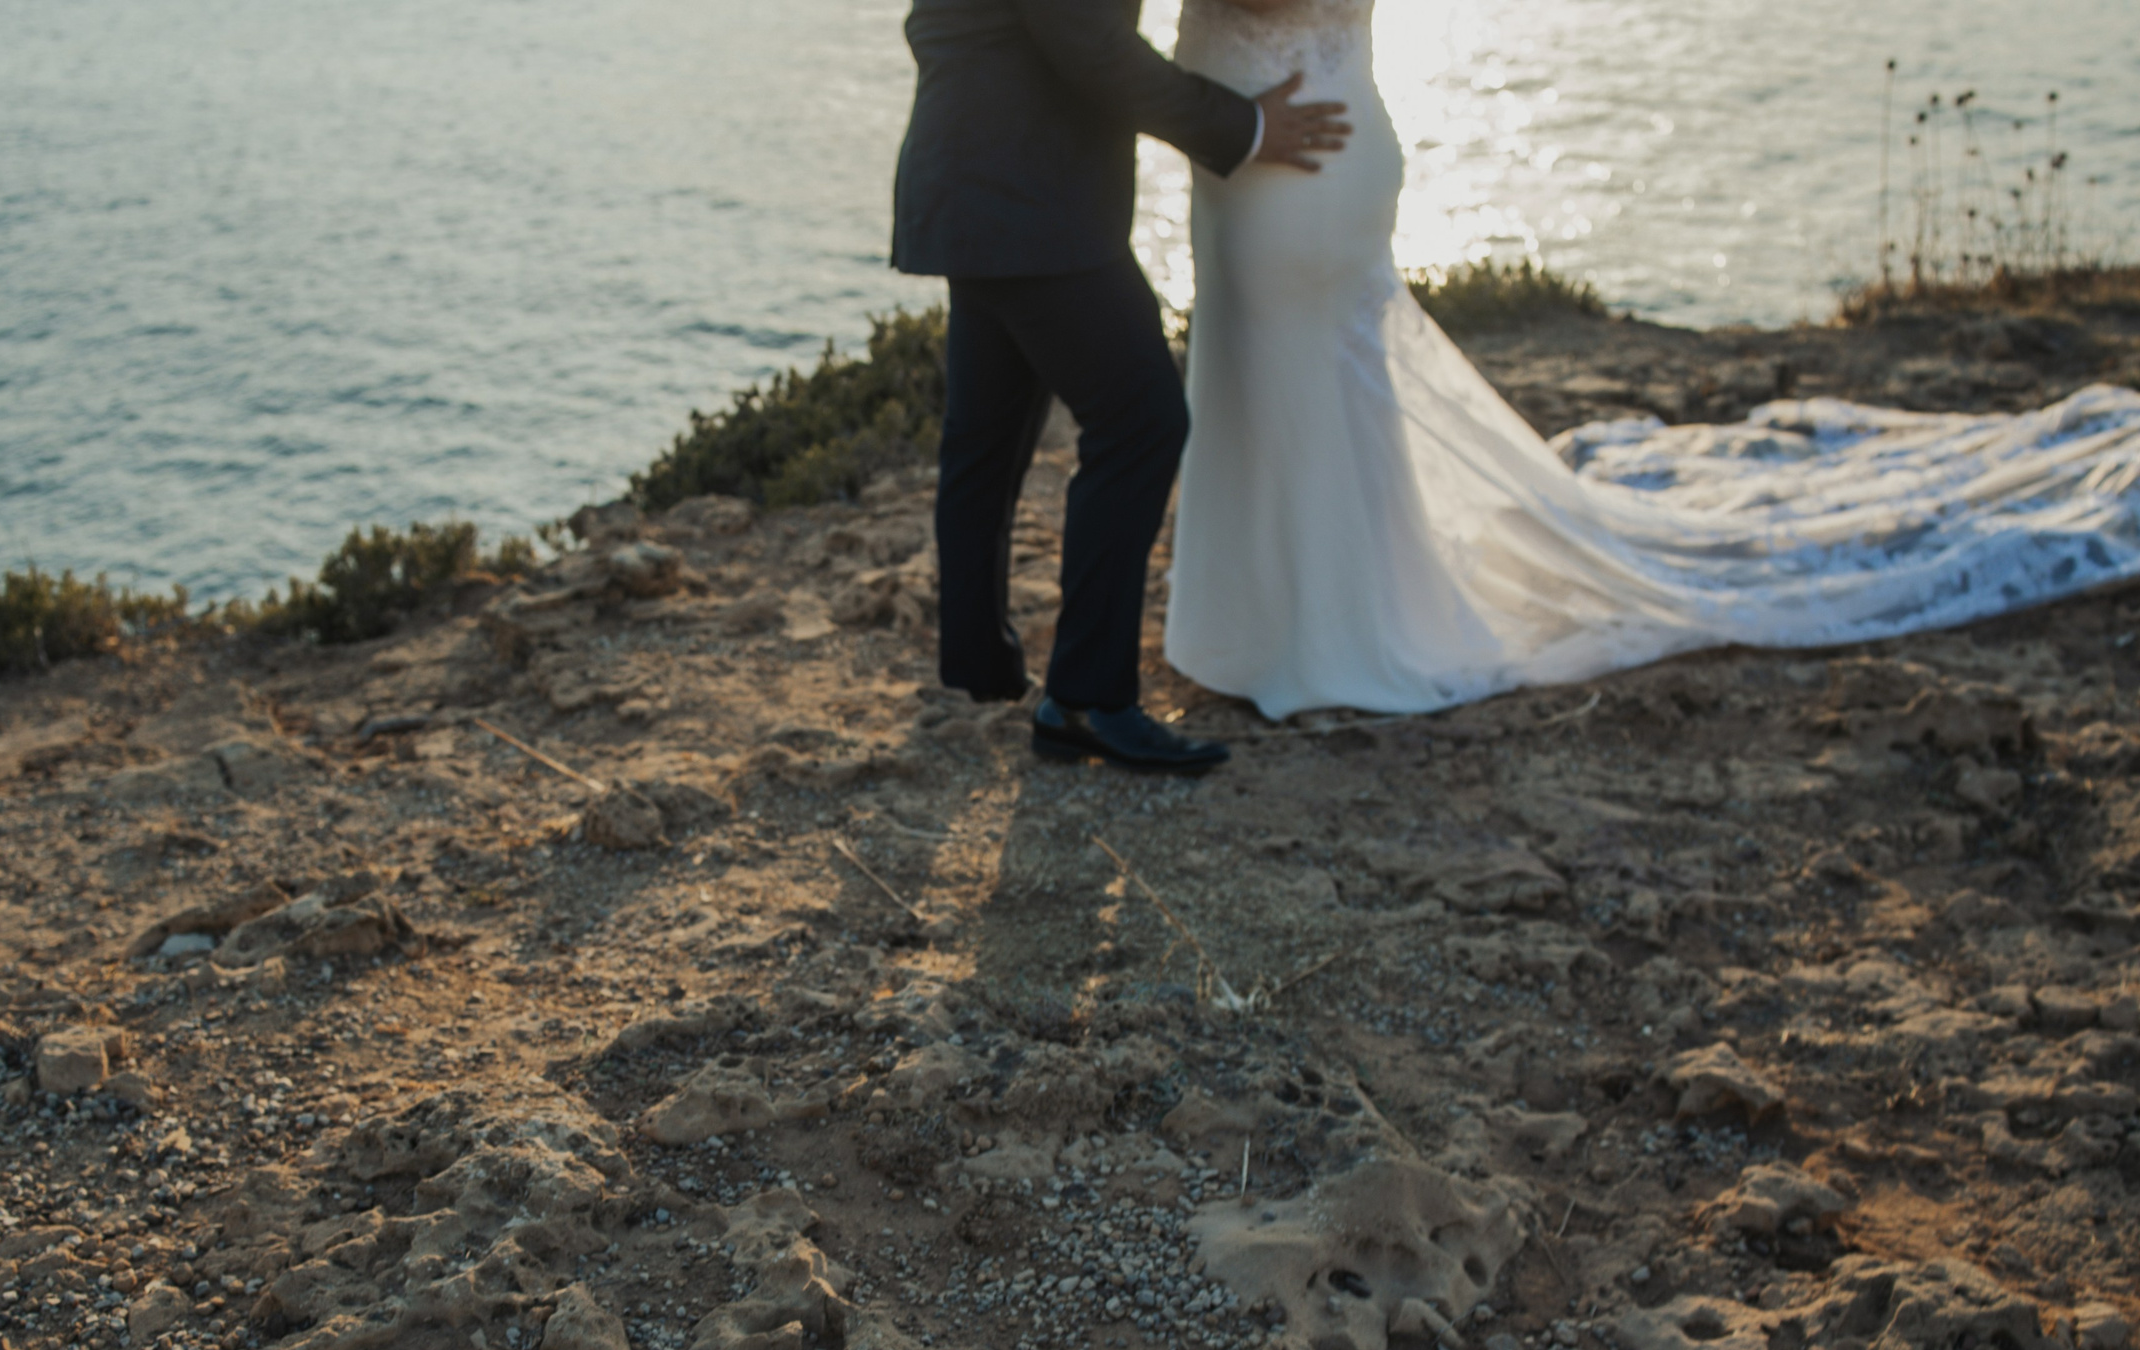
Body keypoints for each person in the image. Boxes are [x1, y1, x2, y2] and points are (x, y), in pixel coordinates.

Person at [1164, 0, 2140, 717]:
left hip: (1288, 148)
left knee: (1297, 383)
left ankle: (1316, 633)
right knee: (1290, 383)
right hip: (1292, 137)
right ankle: (1295, 615)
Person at [890, 0, 1352, 774]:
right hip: (1026, 200)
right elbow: (1096, 50)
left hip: (977, 184)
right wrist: (1247, 128)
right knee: (1142, 421)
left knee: (987, 433)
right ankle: (1087, 699)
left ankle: (978, 666)